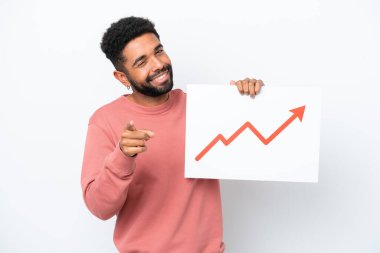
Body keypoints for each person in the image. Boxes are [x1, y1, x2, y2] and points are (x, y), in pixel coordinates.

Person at [81, 16, 264, 253]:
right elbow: (99, 207)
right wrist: (122, 156)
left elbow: (254, 143)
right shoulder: (104, 121)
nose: (157, 64)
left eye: (159, 51)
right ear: (122, 77)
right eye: (141, 62)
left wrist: (250, 100)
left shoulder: (204, 108)